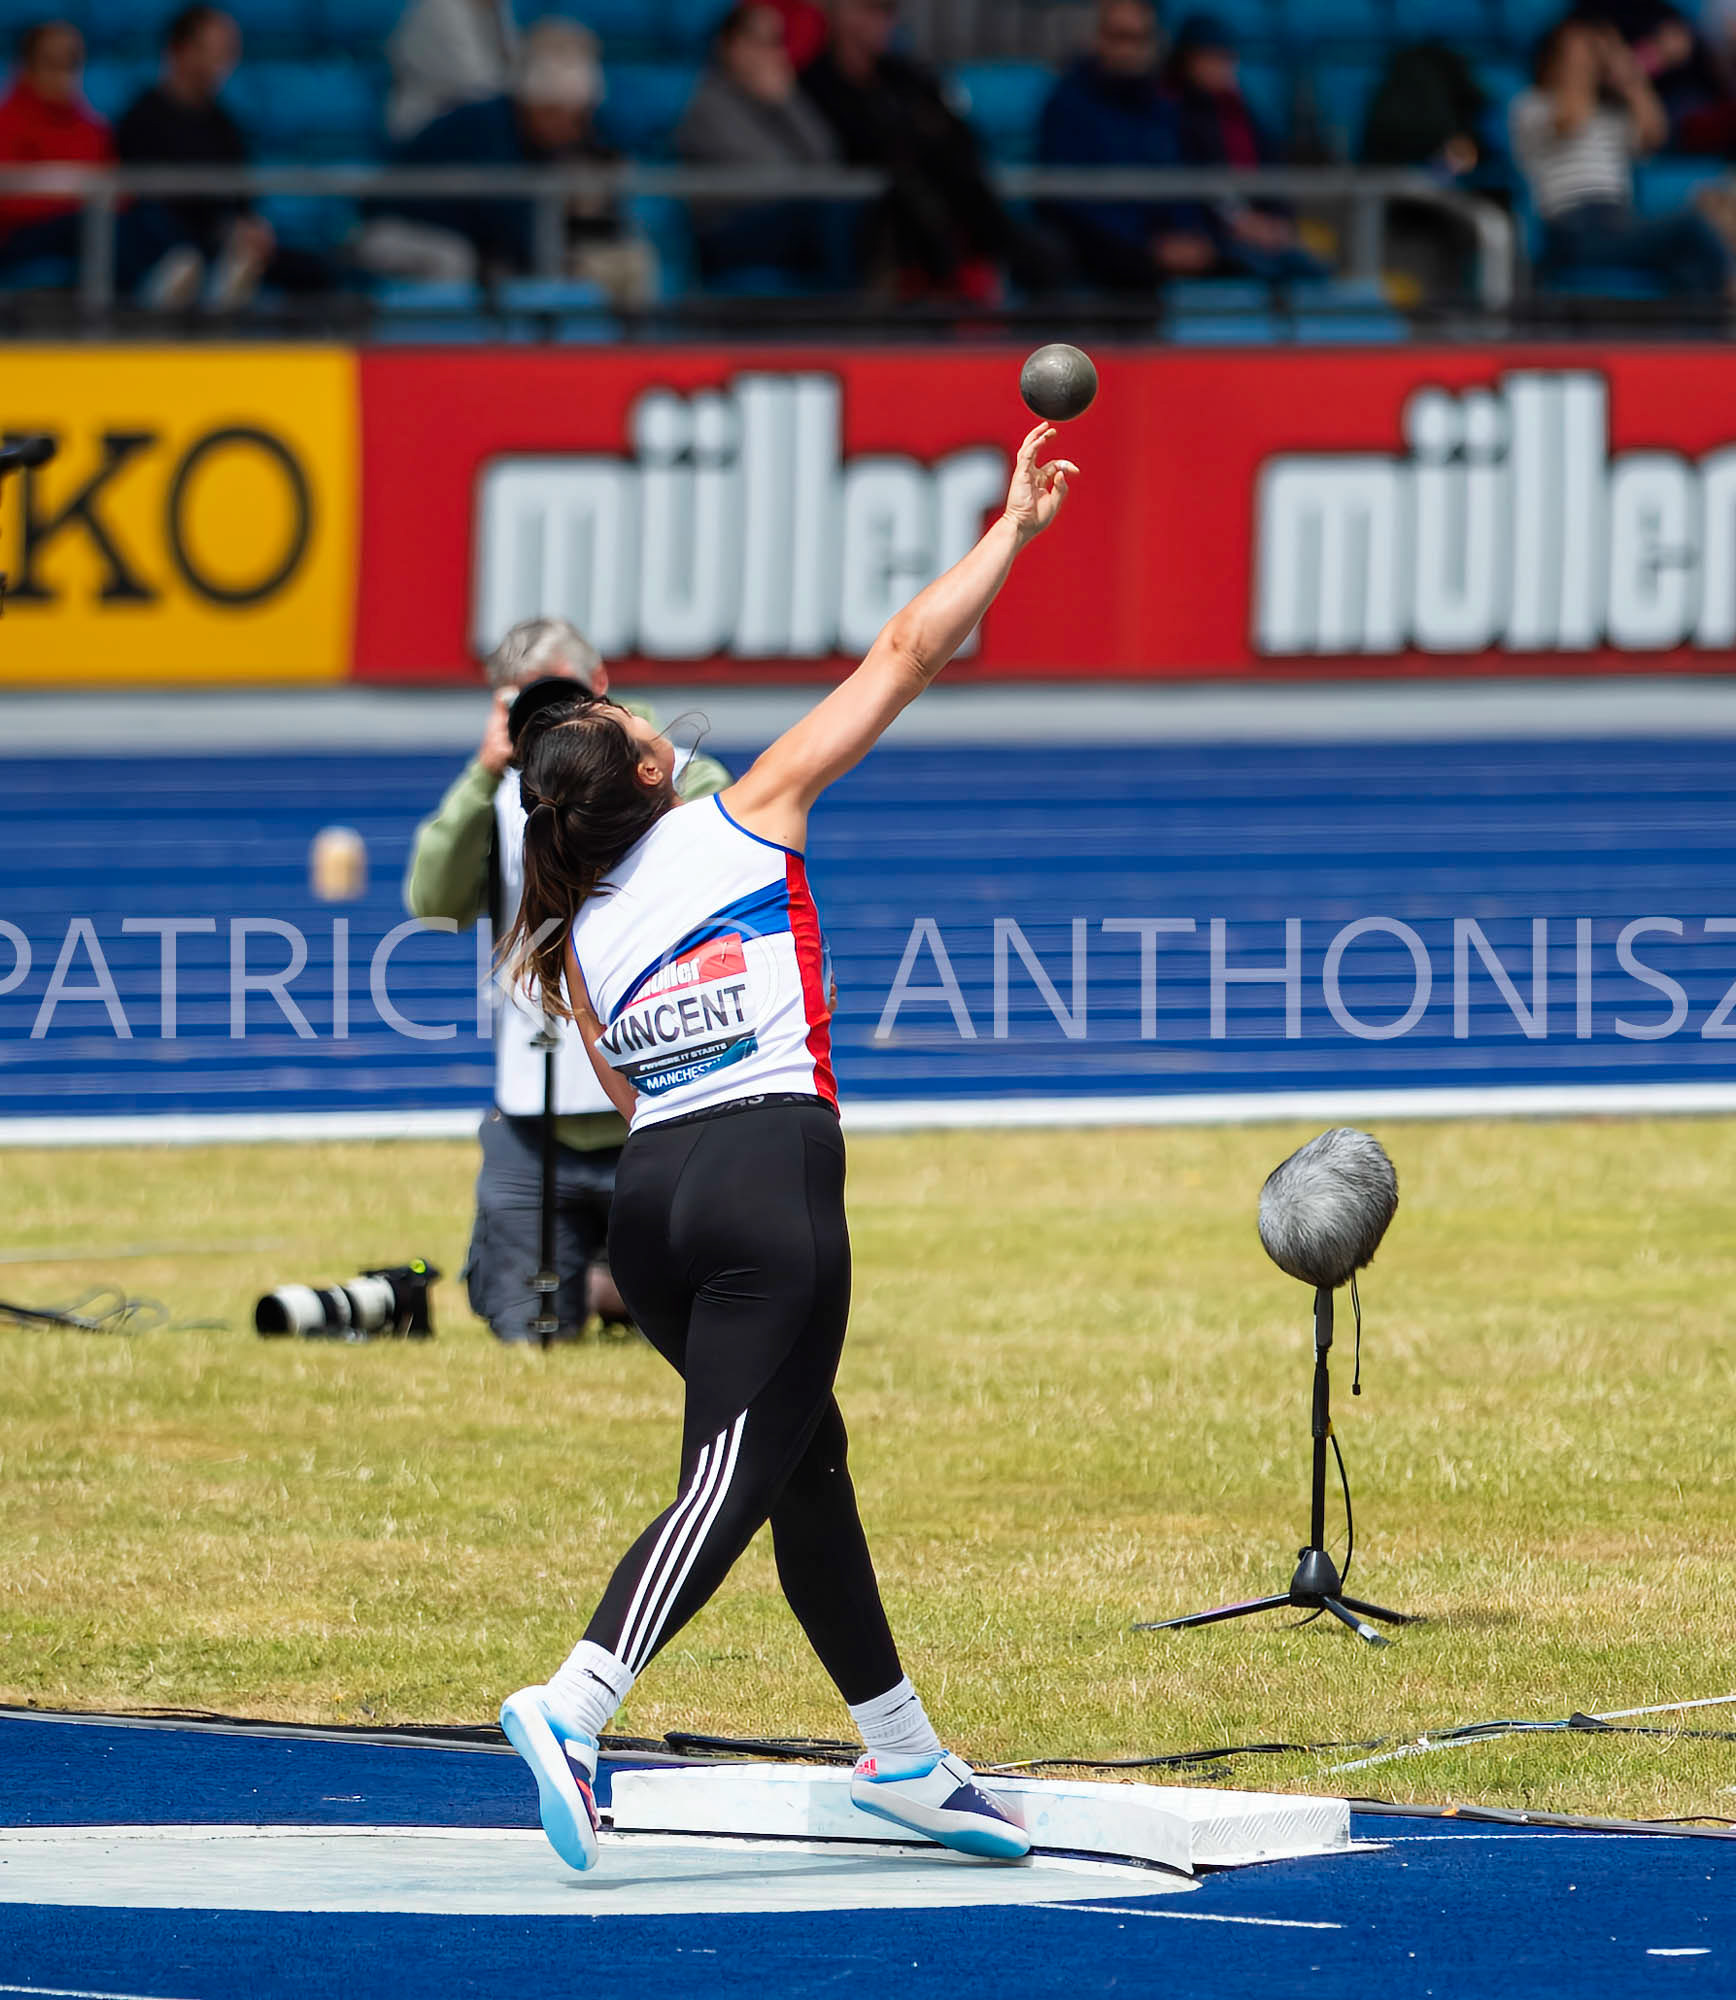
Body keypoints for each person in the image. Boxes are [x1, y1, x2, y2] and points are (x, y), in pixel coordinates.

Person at [495, 422, 1076, 1874]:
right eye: (648, 731)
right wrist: (1014, 529)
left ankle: (904, 1757)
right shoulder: (747, 817)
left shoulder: (574, 937)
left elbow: (635, 1104)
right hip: (767, 1193)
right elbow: (903, 652)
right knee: (738, 1476)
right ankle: (577, 1702)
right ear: (648, 773)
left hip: (660, 1206)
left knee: (802, 1463)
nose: (669, 731)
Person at [405, 616, 730, 1346]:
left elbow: (728, 850)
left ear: (603, 689)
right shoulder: (503, 793)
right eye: (522, 704)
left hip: (653, 1110)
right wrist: (482, 771)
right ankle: (598, 1282)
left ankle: (616, 1283)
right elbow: (432, 902)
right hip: (533, 1124)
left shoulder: (668, 771)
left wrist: (637, 764)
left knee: (690, 1321)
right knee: (522, 1326)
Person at [357, 19, 656, 306]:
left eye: (577, 116)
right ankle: (445, 352)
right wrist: (573, 261)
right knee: (452, 260)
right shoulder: (485, 129)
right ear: (532, 104)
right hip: (393, 229)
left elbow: (600, 205)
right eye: (558, 114)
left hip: (481, 239)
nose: (569, 128)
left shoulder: (574, 135)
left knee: (627, 260)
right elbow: (514, 228)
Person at [799, 0, 1068, 301]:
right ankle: (995, 250)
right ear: (839, 13)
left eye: (887, 12)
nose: (880, 22)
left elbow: (961, 134)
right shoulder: (815, 82)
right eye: (870, 9)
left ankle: (998, 252)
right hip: (871, 222)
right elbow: (861, 145)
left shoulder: (906, 76)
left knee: (950, 164)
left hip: (942, 205)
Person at [115, 6, 332, 308]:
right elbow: (152, 199)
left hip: (225, 239)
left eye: (230, 51)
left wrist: (252, 227)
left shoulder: (225, 123)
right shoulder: (141, 118)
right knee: (175, 251)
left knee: (316, 270)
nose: (227, 62)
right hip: (171, 240)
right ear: (183, 50)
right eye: (219, 50)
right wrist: (224, 228)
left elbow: (241, 195)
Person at [1512, 16, 1729, 297]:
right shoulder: (1534, 104)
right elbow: (1570, 120)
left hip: (1618, 219)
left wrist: (1631, 75)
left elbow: (1654, 136)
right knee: (1691, 227)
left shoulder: (1611, 111)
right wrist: (1581, 56)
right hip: (1573, 226)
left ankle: (1686, 336)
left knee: (1688, 261)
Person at [0, 20, 202, 302]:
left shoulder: (89, 126)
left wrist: (90, 194)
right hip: (23, 237)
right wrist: (74, 194)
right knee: (93, 225)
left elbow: (114, 185)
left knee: (147, 214)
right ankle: (147, 295)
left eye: (71, 63)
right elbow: (9, 202)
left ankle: (193, 277)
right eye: (53, 62)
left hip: (84, 219)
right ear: (27, 65)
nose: (63, 74)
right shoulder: (7, 122)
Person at [1037, 0, 1220, 289]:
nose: (1128, 49)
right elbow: (1068, 199)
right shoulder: (1067, 105)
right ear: (1098, 38)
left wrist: (1191, 235)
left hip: (1160, 249)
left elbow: (1181, 183)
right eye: (1118, 36)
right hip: (1103, 250)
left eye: (1139, 38)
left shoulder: (1164, 109)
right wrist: (1149, 245)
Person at [676, 2, 854, 289]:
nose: (772, 55)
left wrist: (788, 104)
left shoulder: (780, 98)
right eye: (761, 42)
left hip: (789, 217)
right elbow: (766, 173)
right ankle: (848, 315)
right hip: (730, 229)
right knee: (830, 214)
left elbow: (827, 155)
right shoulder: (708, 105)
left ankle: (852, 311)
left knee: (850, 211)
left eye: (776, 43)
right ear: (729, 46)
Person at [1164, 13, 1324, 282]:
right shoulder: (1172, 112)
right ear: (1187, 62)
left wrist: (1278, 221)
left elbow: (1272, 167)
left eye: (1225, 57)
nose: (1221, 66)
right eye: (1209, 57)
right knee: (1260, 272)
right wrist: (1240, 221)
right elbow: (1196, 176)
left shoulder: (1240, 110)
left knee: (1311, 273)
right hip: (1212, 236)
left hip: (1257, 231)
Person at [386, 0, 515, 142]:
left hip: (469, 120)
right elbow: (478, 86)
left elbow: (514, 65)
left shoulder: (495, 8)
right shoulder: (441, 7)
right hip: (421, 128)